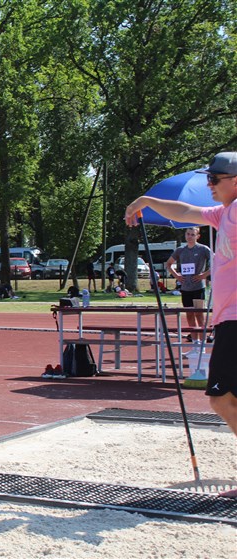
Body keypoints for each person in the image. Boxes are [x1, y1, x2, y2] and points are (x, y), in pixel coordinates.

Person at [124, 152, 237, 495]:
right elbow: (186, 212)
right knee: (228, 398)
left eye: (214, 180)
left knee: (221, 398)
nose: (209, 185)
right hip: (228, 318)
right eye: (208, 179)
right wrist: (145, 201)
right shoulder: (224, 213)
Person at [165, 227, 212, 350]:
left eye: (192, 234)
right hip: (186, 288)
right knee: (190, 315)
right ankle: (195, 344)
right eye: (188, 234)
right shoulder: (180, 250)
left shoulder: (203, 249)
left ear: (197, 236)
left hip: (198, 287)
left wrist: (203, 275)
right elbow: (168, 264)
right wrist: (177, 276)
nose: (190, 236)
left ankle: (202, 346)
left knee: (199, 315)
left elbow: (217, 262)